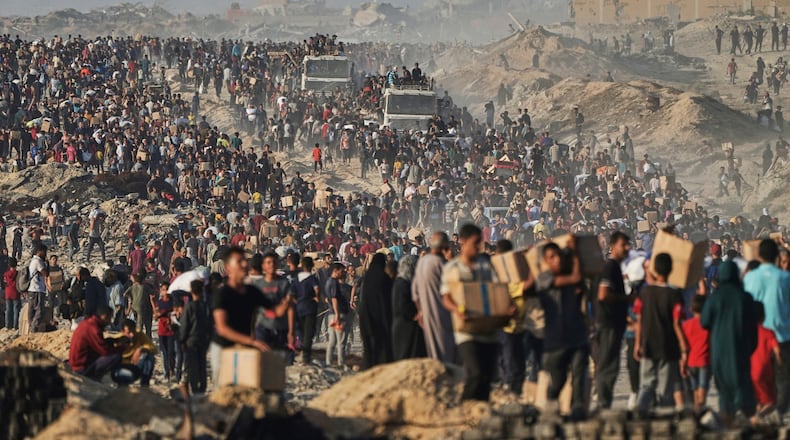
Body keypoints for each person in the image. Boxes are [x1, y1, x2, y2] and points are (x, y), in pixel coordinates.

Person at [441, 224, 509, 401]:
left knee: (487, 375)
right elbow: (446, 297)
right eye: (475, 242)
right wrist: (457, 310)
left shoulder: (485, 265)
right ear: (463, 242)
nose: (479, 246)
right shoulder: (452, 268)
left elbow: (497, 289)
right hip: (466, 330)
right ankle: (464, 406)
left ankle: (480, 411)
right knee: (475, 372)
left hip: (488, 327)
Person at [210, 247, 291, 388]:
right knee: (224, 390)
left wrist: (285, 305)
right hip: (224, 348)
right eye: (239, 261)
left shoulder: (252, 291)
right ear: (228, 268)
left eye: (244, 261)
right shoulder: (222, 294)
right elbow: (222, 328)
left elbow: (273, 311)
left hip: (245, 348)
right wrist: (252, 341)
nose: (244, 264)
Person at [702, 260, 758, 427]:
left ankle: (727, 421)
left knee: (724, 389)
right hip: (742, 348)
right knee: (742, 383)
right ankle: (744, 417)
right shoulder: (745, 297)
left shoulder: (715, 297)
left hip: (719, 349)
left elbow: (704, 321)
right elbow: (753, 324)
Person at [535, 238, 587, 417]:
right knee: (558, 381)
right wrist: (575, 253)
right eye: (552, 256)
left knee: (580, 374)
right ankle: (550, 408)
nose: (557, 259)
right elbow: (576, 278)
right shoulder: (544, 278)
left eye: (558, 255)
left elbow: (581, 285)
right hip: (555, 340)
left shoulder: (570, 276)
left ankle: (579, 409)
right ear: (546, 261)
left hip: (576, 335)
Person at [633, 253, 688, 417]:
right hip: (668, 347)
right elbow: (677, 324)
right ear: (671, 270)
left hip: (648, 344)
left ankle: (640, 412)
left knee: (646, 385)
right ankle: (664, 421)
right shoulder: (674, 295)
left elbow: (639, 320)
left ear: (654, 269)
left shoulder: (645, 293)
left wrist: (637, 343)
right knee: (665, 388)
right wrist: (684, 348)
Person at [743, 239, 790, 420]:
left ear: (759, 256)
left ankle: (760, 408)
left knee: (758, 375)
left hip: (757, 337)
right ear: (777, 256)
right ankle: (778, 411)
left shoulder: (750, 278)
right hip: (782, 336)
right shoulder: (785, 278)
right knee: (783, 377)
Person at [595, 231, 631, 409]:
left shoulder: (615, 266)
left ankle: (605, 401)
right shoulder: (610, 267)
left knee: (610, 363)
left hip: (613, 322)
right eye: (623, 245)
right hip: (608, 323)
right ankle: (603, 402)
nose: (627, 248)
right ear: (612, 246)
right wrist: (626, 299)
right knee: (608, 364)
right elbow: (603, 294)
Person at [496, 239, 534, 394]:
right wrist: (532, 263)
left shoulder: (505, 271)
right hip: (508, 329)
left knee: (518, 366)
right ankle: (511, 396)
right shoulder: (506, 275)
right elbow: (526, 286)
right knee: (511, 367)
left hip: (518, 327)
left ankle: (514, 394)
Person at [412, 231, 456, 363]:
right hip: (443, 313)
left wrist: (420, 311)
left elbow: (415, 293)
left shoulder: (422, 262)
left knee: (433, 350)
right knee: (446, 349)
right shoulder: (441, 264)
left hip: (426, 313)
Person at [253, 252, 296, 364]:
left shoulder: (284, 283)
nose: (271, 265)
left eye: (273, 262)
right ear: (263, 266)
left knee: (278, 363)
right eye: (268, 262)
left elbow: (290, 307)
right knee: (262, 361)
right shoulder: (258, 285)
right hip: (263, 327)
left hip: (281, 327)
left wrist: (291, 331)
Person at [68, 304, 123, 380]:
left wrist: (113, 341)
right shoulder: (93, 328)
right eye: (109, 318)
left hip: (77, 363)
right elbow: (104, 351)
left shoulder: (88, 323)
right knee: (116, 357)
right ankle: (95, 378)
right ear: (104, 316)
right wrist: (122, 349)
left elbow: (99, 343)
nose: (110, 321)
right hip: (80, 368)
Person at [358, 252, 394, 369]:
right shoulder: (384, 278)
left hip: (365, 317)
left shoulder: (367, 277)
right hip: (380, 317)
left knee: (368, 347)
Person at [391, 255, 426, 361]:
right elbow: (403, 305)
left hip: (404, 324)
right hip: (405, 325)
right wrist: (415, 314)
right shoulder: (402, 284)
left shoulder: (401, 283)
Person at [751, 301, 782, 419]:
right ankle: (759, 417)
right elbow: (777, 350)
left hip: (750, 372)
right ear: (764, 316)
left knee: (759, 401)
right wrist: (780, 362)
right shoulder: (768, 332)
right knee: (771, 402)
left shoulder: (747, 332)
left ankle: (758, 420)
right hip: (764, 372)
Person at [180, 279, 210, 394]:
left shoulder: (189, 306)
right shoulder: (205, 306)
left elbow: (184, 325)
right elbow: (209, 324)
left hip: (191, 340)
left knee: (193, 366)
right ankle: (202, 387)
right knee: (202, 364)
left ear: (191, 291)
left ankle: (195, 388)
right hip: (203, 339)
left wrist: (182, 340)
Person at [682, 294, 710, 414]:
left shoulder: (686, 325)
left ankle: (696, 409)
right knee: (703, 386)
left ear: (691, 309)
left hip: (690, 361)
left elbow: (684, 347)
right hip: (704, 360)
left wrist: (682, 362)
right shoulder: (709, 325)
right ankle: (701, 407)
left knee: (694, 388)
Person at [295, 256, 320, 364]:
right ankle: (306, 356)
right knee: (308, 333)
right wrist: (317, 298)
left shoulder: (296, 279)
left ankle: (301, 351)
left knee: (300, 332)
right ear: (311, 266)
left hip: (298, 308)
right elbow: (317, 289)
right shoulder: (312, 278)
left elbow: (291, 294)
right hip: (309, 308)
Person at [120, 318, 157, 387]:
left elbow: (154, 348)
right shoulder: (118, 339)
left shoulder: (139, 335)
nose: (132, 335)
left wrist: (141, 349)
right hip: (122, 368)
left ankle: (144, 386)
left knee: (149, 358)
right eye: (128, 332)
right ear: (122, 332)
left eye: (133, 331)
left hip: (136, 365)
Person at [325, 262, 349, 367]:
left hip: (331, 314)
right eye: (341, 271)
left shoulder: (328, 282)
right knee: (341, 342)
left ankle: (328, 362)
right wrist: (338, 315)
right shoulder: (334, 283)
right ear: (336, 271)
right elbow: (335, 299)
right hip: (338, 314)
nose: (343, 273)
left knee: (332, 341)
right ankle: (341, 363)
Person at [28, 244, 49, 333]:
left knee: (32, 310)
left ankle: (31, 328)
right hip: (37, 289)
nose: (45, 254)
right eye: (44, 252)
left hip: (32, 289)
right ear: (39, 251)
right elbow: (45, 273)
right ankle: (33, 328)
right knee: (39, 311)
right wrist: (47, 265)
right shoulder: (38, 261)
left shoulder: (33, 261)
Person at [4, 257, 20, 329]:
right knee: (16, 310)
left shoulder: (6, 274)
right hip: (16, 292)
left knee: (8, 309)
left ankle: (8, 325)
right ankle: (15, 325)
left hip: (8, 292)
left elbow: (5, 282)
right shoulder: (17, 273)